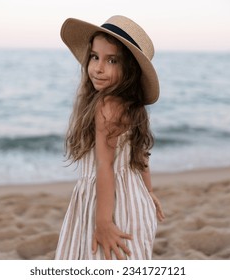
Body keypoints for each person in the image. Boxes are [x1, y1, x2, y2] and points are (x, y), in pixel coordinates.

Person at [55, 15, 165, 260]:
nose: (98, 67)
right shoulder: (128, 104)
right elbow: (141, 155)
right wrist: (148, 192)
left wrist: (103, 223)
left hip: (111, 205)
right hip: (134, 199)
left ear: (129, 70)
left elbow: (105, 166)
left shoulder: (106, 105)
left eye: (111, 60)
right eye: (94, 57)